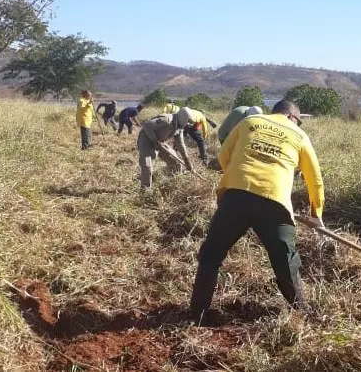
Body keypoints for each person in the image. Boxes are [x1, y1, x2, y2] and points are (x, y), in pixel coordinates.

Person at [189, 99, 325, 323]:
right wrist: (316, 215)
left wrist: (237, 177)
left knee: (211, 255)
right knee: (286, 262)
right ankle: (301, 314)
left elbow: (223, 156)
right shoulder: (300, 136)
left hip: (236, 198)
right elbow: (315, 179)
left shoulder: (250, 121)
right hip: (276, 204)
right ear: (293, 117)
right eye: (299, 122)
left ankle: (198, 314)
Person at [136, 109, 196, 189]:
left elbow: (180, 144)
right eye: (188, 121)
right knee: (147, 166)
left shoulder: (179, 128)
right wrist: (154, 140)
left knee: (176, 163)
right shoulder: (166, 119)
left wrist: (186, 160)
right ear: (183, 118)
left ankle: (171, 185)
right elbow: (147, 125)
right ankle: (145, 191)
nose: (188, 123)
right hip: (146, 140)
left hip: (159, 142)